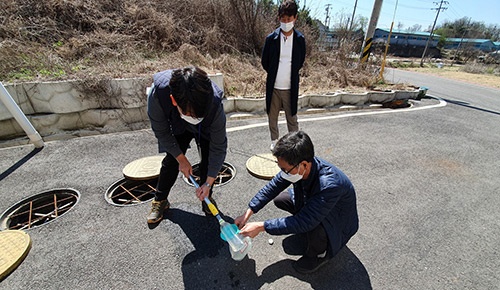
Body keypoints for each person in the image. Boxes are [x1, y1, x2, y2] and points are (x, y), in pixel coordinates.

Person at [235, 131, 359, 274]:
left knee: (312, 226)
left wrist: (261, 226)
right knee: (281, 199)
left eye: (285, 170)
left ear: (304, 164)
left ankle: (320, 255)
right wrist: (249, 212)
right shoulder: (300, 165)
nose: (282, 173)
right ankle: (308, 233)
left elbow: (306, 220)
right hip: (316, 205)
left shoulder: (330, 185)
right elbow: (273, 186)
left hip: (338, 224)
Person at [146, 66, 227, 224]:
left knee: (208, 160)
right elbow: (161, 132)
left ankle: (207, 198)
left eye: (198, 115)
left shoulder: (213, 102)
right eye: (191, 114)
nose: (194, 118)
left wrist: (208, 183)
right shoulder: (158, 95)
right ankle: (160, 200)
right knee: (171, 160)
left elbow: (218, 147)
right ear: (174, 100)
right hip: (177, 124)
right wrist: (181, 159)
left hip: (206, 128)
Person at [261, 0, 306, 150]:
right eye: (283, 19)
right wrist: (275, 73)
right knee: (272, 117)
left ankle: (295, 146)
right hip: (274, 86)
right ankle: (275, 142)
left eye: (289, 19)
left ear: (295, 18)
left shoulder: (300, 40)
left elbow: (300, 62)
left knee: (292, 118)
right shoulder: (271, 39)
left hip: (290, 87)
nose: (286, 22)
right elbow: (264, 62)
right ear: (279, 18)